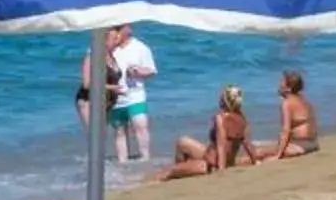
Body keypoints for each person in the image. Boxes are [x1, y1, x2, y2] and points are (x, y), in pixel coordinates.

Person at [166, 86, 252, 179]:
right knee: (182, 142)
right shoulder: (241, 118)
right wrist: (254, 160)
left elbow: (221, 145)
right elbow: (247, 143)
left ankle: (181, 174)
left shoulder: (221, 118)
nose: (220, 99)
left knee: (172, 171)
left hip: (210, 165)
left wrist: (220, 170)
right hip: (211, 156)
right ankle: (184, 170)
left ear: (225, 101)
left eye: (222, 97)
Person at [107, 23, 157, 161]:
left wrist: (138, 71)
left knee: (140, 124)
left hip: (135, 95)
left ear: (127, 30)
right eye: (114, 29)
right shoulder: (111, 49)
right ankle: (123, 163)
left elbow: (152, 70)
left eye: (119, 29)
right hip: (116, 98)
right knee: (119, 131)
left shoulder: (140, 48)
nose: (116, 33)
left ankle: (145, 158)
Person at [259, 69, 317, 160]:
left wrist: (278, 155)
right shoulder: (304, 100)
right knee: (264, 152)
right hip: (312, 144)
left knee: (259, 154)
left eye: (281, 83)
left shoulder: (287, 103)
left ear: (288, 88)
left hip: (299, 145)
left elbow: (286, 130)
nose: (278, 85)